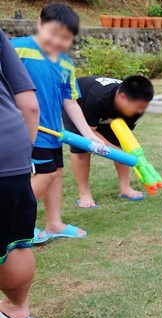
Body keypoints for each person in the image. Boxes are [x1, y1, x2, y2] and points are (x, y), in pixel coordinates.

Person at [12, 3, 100, 241]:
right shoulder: (17, 49)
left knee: (57, 173)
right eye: (53, 34)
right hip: (27, 130)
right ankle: (12, 223)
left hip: (53, 133)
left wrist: (88, 134)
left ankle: (54, 224)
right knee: (46, 174)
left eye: (65, 38)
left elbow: (70, 101)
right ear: (40, 25)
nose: (57, 42)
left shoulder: (66, 65)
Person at [0, 30, 40, 318]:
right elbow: (29, 105)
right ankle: (18, 306)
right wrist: (20, 154)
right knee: (15, 243)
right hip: (10, 153)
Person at [65, 75, 155, 208]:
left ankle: (125, 188)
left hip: (107, 108)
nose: (141, 111)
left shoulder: (136, 107)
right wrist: (117, 152)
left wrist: (126, 152)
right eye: (139, 107)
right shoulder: (97, 97)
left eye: (144, 106)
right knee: (82, 149)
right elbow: (90, 133)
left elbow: (124, 137)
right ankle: (84, 194)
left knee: (119, 145)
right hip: (78, 103)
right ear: (123, 98)